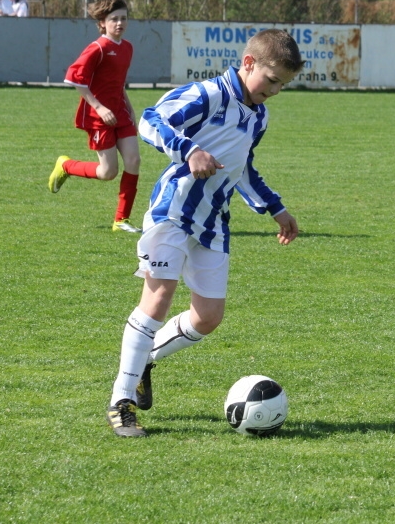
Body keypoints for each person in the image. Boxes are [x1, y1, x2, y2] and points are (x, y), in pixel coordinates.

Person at [105, 29, 305, 437]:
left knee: (208, 316)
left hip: (213, 222)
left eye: (283, 85)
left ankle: (144, 359)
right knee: (158, 297)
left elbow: (242, 167)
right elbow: (150, 119)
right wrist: (190, 150)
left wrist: (276, 208)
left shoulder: (259, 115)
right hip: (174, 211)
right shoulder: (208, 94)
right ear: (248, 63)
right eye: (271, 80)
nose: (275, 91)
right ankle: (121, 401)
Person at [48, 0, 143, 233]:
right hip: (98, 116)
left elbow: (117, 83)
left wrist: (130, 107)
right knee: (108, 172)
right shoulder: (97, 48)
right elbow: (74, 77)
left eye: (123, 18)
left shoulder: (128, 48)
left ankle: (121, 220)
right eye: (114, 19)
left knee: (134, 160)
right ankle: (66, 166)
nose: (120, 23)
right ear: (102, 22)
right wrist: (99, 107)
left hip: (121, 113)